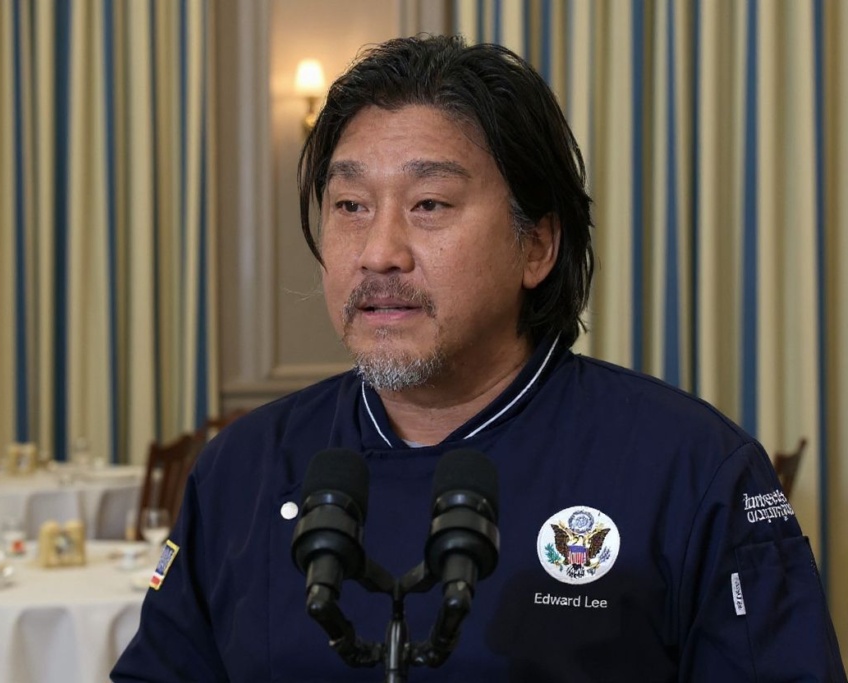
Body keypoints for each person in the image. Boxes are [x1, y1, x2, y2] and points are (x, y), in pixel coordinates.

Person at [112, 34, 846, 682]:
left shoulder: (689, 468)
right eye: (350, 206)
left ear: (537, 246)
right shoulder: (241, 468)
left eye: (429, 204)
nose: (379, 252)